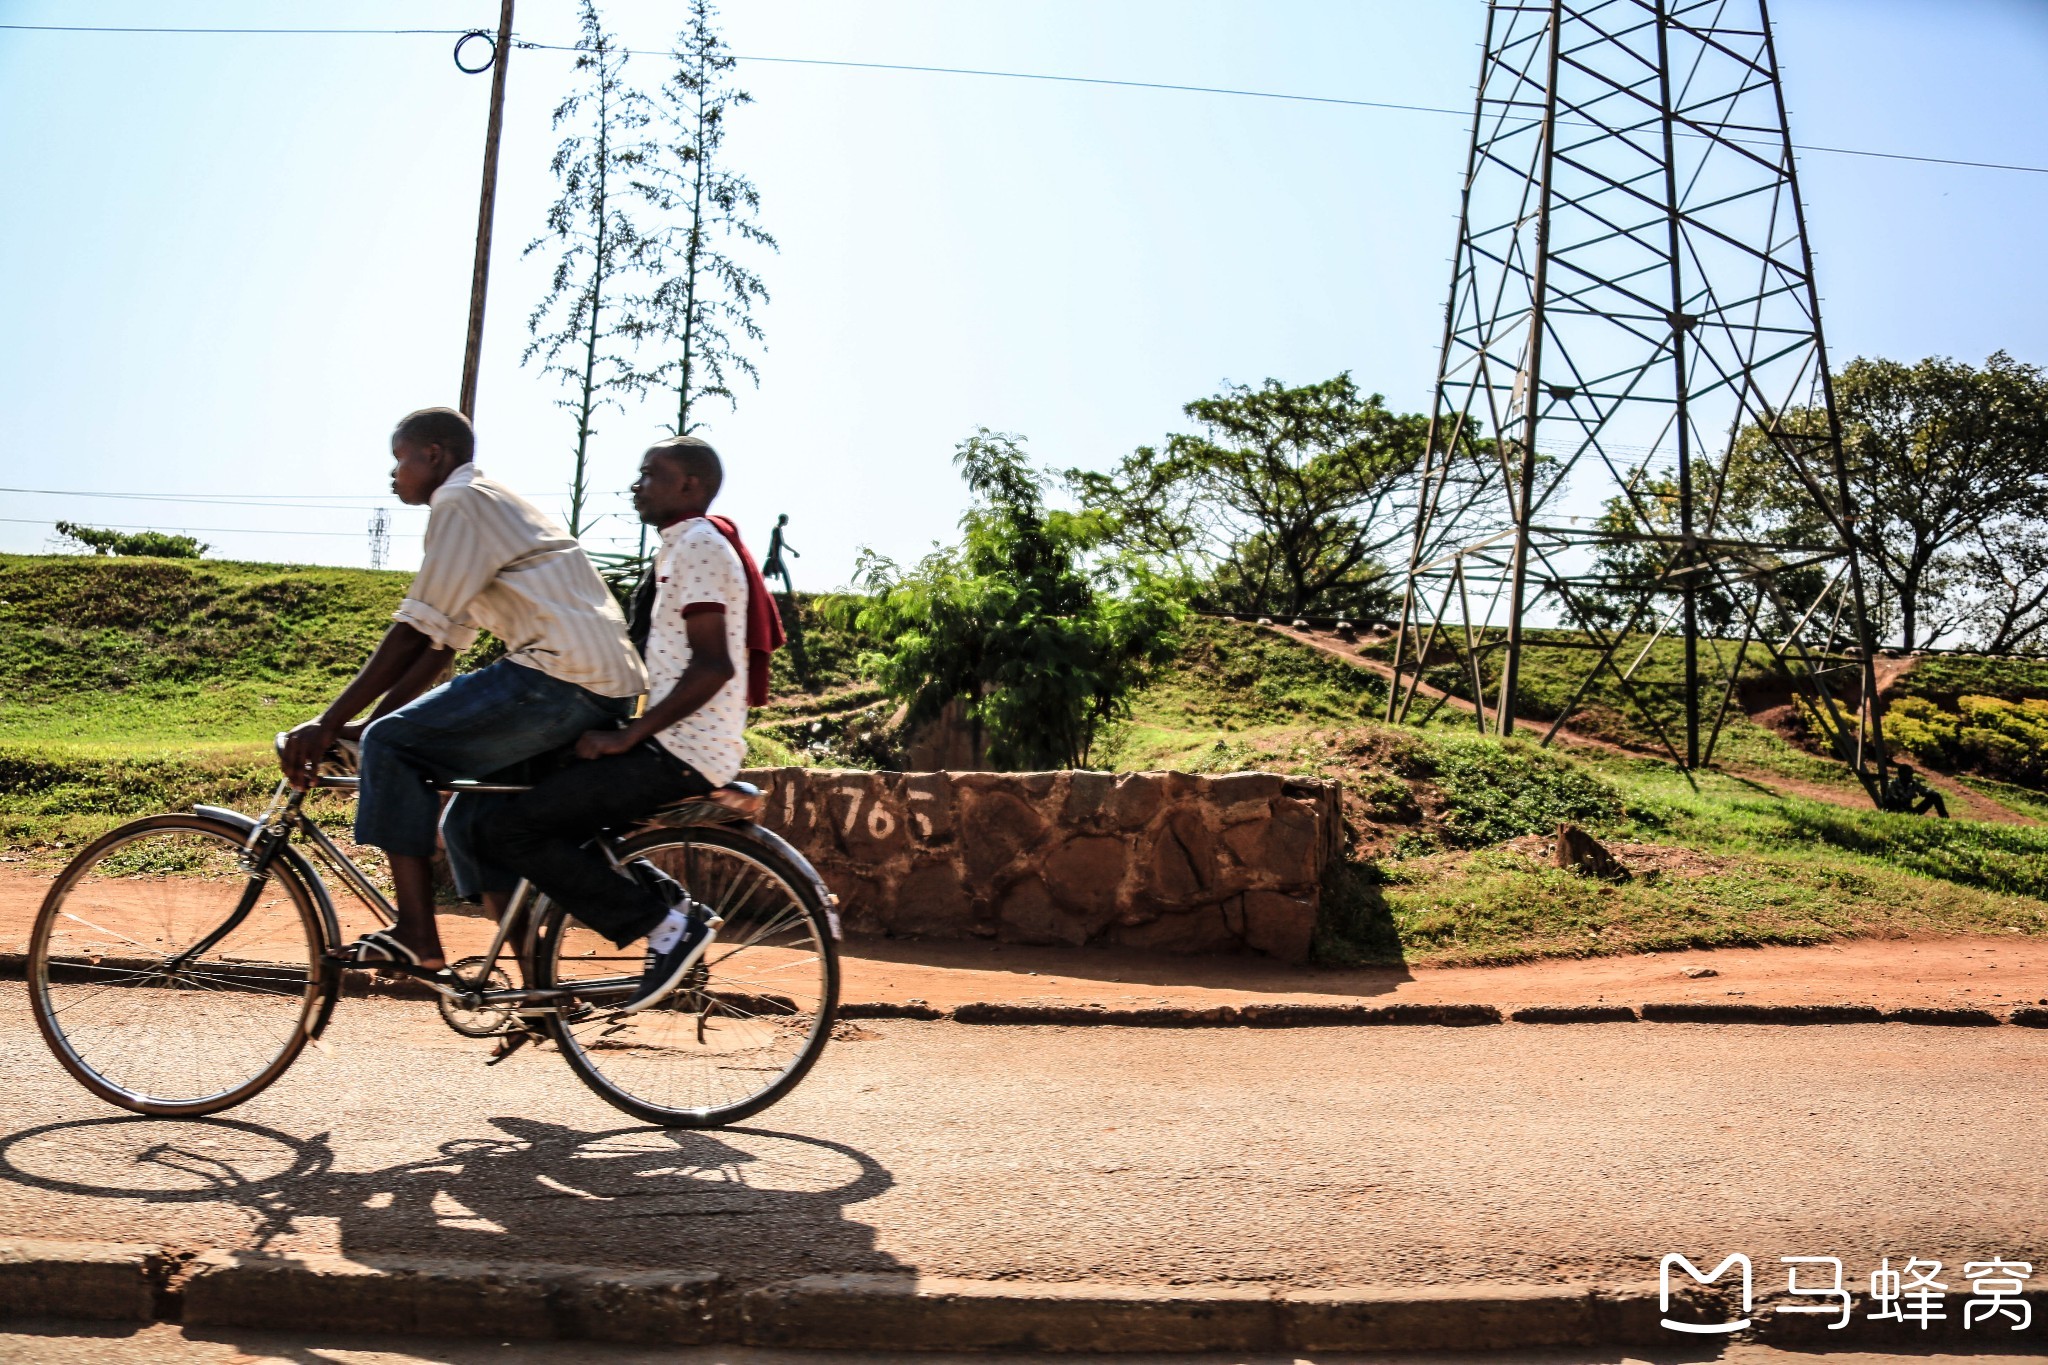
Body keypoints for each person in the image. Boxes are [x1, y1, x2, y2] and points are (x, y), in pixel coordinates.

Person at [278, 407, 648, 972]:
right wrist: (368, 720)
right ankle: (533, 991)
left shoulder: (460, 502)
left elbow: (411, 633)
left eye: (399, 459)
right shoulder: (484, 504)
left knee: (393, 746)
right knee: (473, 823)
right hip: (600, 684)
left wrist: (330, 724)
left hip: (560, 677)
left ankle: (415, 934)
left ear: (434, 454)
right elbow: (441, 644)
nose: (394, 474)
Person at [472, 435, 776, 1012]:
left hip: (680, 751)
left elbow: (713, 666)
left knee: (509, 830)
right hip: (672, 744)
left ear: (689, 486)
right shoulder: (680, 546)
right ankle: (674, 913)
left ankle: (666, 927)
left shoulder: (701, 547)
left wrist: (627, 736)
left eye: (649, 474)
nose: (636, 485)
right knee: (546, 806)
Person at [1885, 762, 1950, 819]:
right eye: (1909, 774)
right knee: (1891, 800)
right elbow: (1897, 800)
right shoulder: (1892, 784)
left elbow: (1924, 789)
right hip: (1896, 811)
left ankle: (1944, 817)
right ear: (1901, 775)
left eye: (1911, 774)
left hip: (1909, 811)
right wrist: (1910, 796)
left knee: (1935, 795)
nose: (1911, 776)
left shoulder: (1913, 783)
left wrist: (1929, 793)